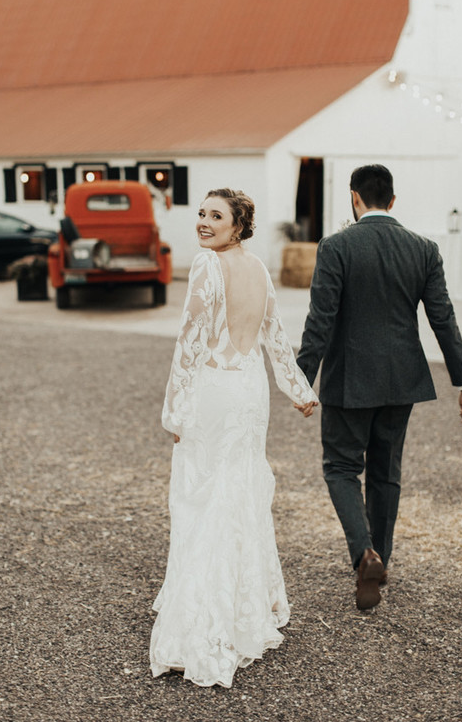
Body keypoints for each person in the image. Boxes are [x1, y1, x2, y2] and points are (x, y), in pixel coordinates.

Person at [150, 188, 318, 688]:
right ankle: (249, 604)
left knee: (204, 495)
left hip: (215, 393)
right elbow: (276, 336)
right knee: (240, 490)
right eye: (201, 214)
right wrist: (298, 390)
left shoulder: (206, 267)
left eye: (215, 216)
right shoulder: (260, 269)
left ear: (237, 225)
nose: (203, 223)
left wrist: (175, 412)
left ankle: (203, 622)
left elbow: (190, 339)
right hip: (250, 392)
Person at [295, 164, 462, 611]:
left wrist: (299, 379)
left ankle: (365, 555)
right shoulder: (423, 249)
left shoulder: (336, 246)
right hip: (402, 379)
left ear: (354, 198)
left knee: (341, 467)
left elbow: (321, 318)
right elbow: (443, 319)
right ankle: (383, 559)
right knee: (385, 471)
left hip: (348, 378)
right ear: (392, 201)